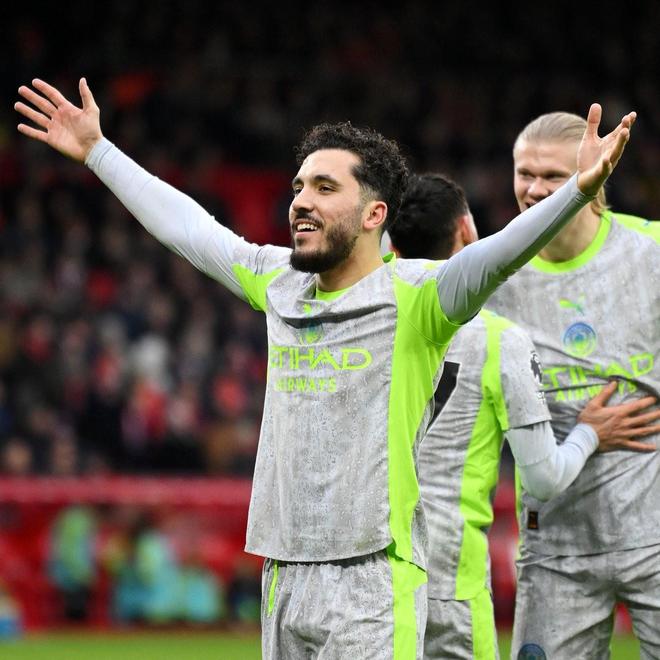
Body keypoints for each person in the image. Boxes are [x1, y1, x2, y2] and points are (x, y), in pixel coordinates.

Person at [15, 77, 635, 659]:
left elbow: (498, 255)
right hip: (283, 573)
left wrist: (578, 190)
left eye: (325, 188)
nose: (302, 202)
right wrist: (98, 151)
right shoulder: (278, 281)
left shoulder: (419, 298)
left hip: (373, 578)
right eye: (298, 187)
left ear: (374, 215)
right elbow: (188, 228)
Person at [389, 173, 660, 659]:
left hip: (373, 578)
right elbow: (543, 479)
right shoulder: (497, 337)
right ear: (467, 230)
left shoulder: (366, 315)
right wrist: (588, 433)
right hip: (449, 582)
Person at [483, 111, 660, 659]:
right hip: (555, 549)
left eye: (552, 176)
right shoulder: (493, 273)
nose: (535, 190)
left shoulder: (649, 252)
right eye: (525, 174)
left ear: (592, 173)